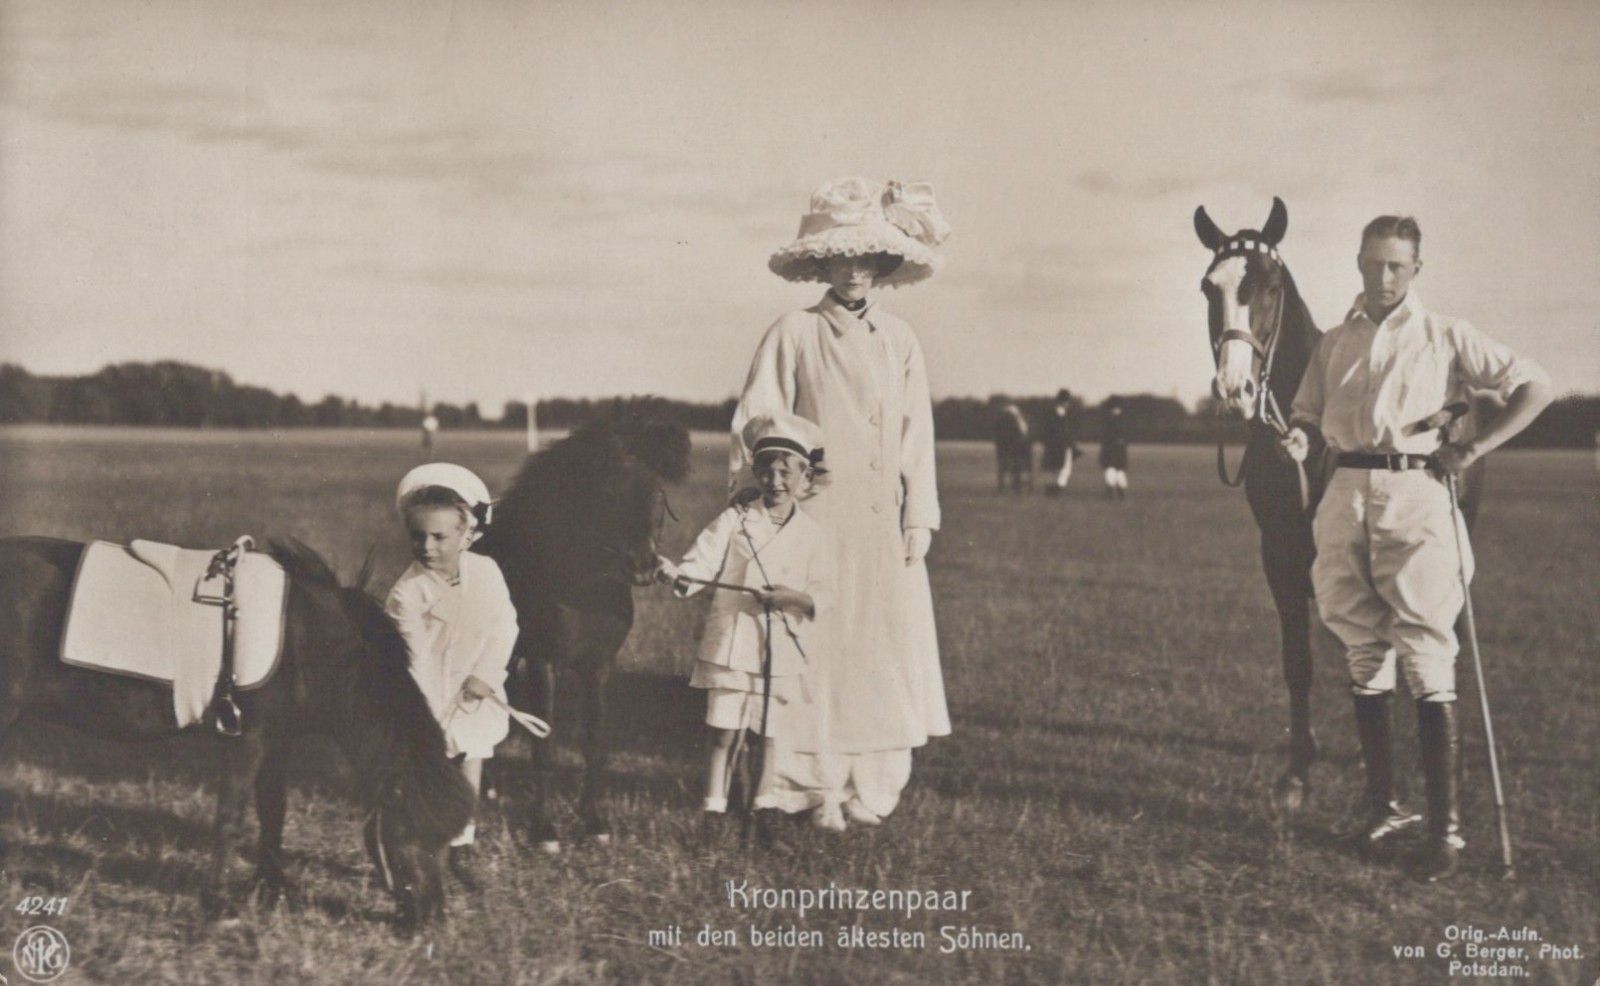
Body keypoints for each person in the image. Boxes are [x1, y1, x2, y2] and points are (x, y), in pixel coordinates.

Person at [1281, 214, 1552, 881]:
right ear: (1358, 263)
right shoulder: (1333, 342)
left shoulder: (1445, 335)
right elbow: (1308, 417)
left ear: (1415, 270)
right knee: (1360, 645)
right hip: (1342, 495)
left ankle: (1446, 832)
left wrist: (1476, 445)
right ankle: (1385, 808)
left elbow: (1534, 385)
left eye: (1395, 266)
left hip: (1418, 493)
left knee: (1428, 651)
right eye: (1372, 264)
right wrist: (1299, 438)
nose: (1382, 277)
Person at [731, 176, 952, 831]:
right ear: (820, 263)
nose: (854, 271)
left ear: (881, 263)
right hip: (817, 520)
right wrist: (781, 483)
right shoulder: (794, 332)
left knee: (883, 644)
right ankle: (805, 786)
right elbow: (757, 418)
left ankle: (872, 786)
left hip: (884, 523)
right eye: (841, 257)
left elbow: (917, 434)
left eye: (866, 258)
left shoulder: (901, 339)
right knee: (816, 646)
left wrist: (920, 515)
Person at [654, 413, 834, 837]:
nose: (776, 481)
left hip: (781, 650)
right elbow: (698, 567)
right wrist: (675, 574)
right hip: (732, 647)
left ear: (805, 477)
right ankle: (714, 813)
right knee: (723, 733)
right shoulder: (734, 520)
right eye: (767, 470)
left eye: (787, 472)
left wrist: (792, 597)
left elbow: (826, 593)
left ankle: (763, 808)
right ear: (756, 472)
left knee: (767, 736)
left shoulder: (812, 534)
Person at [386, 462, 517, 887]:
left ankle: (463, 845)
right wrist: (424, 713)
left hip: (474, 694)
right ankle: (426, 851)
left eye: (440, 537)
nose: (427, 546)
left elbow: (504, 626)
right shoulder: (408, 593)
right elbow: (413, 659)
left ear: (467, 536)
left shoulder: (488, 572)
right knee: (430, 777)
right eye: (417, 536)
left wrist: (485, 675)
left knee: (471, 765)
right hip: (429, 698)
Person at [1040, 389, 1081, 495]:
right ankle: (1057, 488)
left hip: (1053, 446)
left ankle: (1053, 487)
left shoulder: (1050, 414)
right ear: (1065, 402)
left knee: (1054, 468)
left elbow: (1045, 431)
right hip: (1062, 446)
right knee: (1065, 468)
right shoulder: (1066, 415)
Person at [1099, 396, 1130, 498]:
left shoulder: (1107, 419)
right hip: (1119, 449)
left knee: (1111, 468)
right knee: (1119, 469)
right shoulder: (1123, 419)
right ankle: (1121, 489)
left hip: (1110, 448)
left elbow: (1104, 436)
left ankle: (1112, 489)